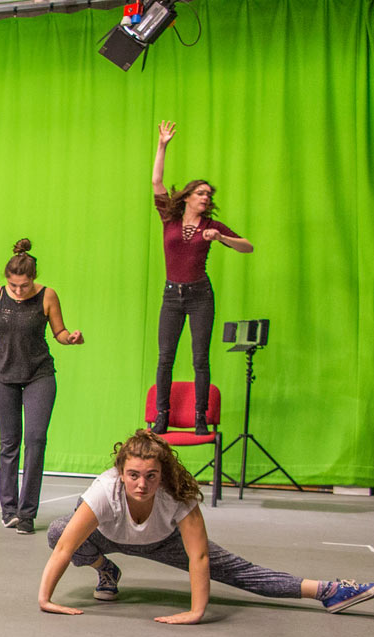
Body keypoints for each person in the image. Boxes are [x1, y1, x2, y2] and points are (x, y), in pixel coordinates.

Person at [39, 430, 374, 624]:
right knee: (58, 531)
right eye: (133, 475)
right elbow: (67, 547)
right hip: (108, 537)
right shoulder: (104, 490)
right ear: (121, 472)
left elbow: (200, 557)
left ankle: (330, 592)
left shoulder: (177, 493)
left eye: (150, 476)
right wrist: (45, 599)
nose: (141, 484)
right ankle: (107, 572)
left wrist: (196, 611)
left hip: (163, 541)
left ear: (162, 475)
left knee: (243, 572)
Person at [150, 121, 254, 435]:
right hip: (172, 295)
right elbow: (156, 181)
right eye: (201, 193)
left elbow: (247, 247)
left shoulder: (212, 225)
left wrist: (220, 238)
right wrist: (163, 145)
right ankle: (162, 416)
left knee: (200, 358)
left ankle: (199, 417)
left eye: (209, 194)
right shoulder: (169, 215)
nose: (206, 197)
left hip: (199, 296)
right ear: (187, 197)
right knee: (165, 356)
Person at [0, 239, 83, 535]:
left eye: (23, 285)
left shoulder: (48, 296)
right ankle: (8, 510)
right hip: (4, 376)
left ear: (33, 279)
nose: (18, 291)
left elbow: (59, 331)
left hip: (39, 375)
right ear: (7, 279)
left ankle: (27, 514)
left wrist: (69, 338)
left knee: (35, 441)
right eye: (13, 285)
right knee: (9, 442)